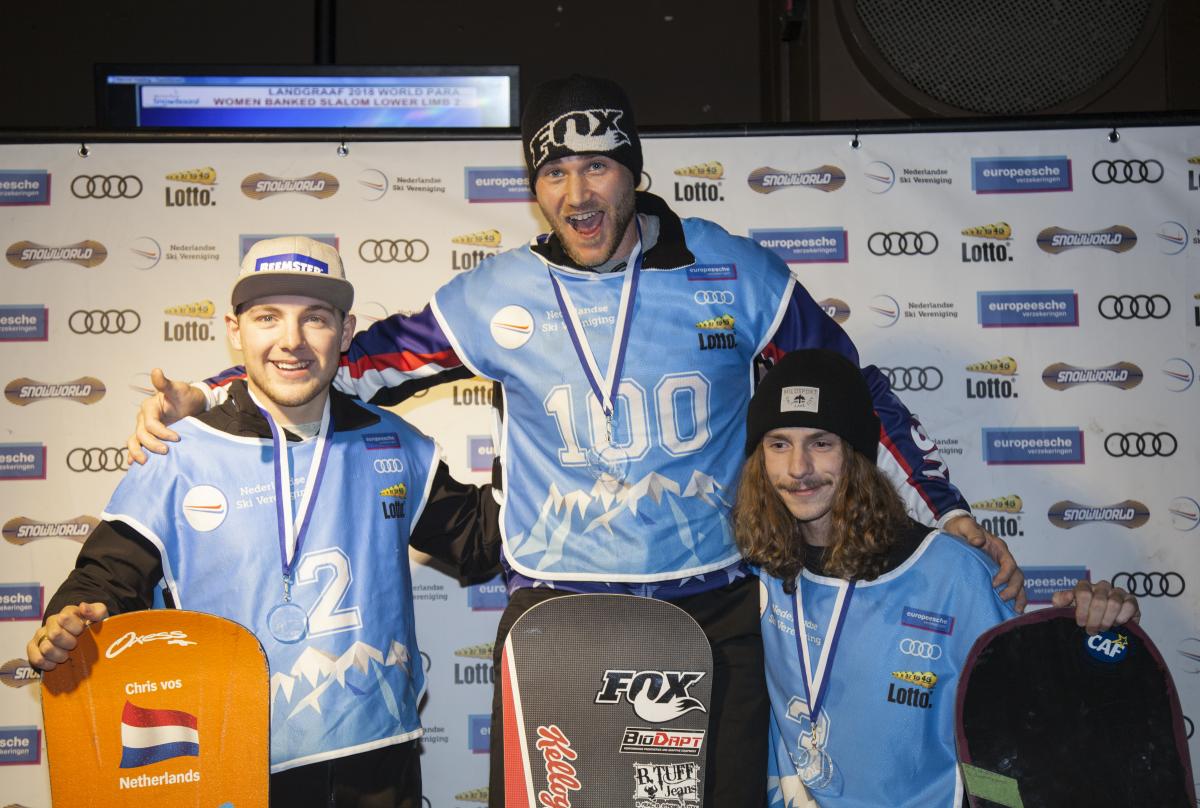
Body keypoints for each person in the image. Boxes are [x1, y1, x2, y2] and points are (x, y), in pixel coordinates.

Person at [125, 76, 1023, 806]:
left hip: (710, 602)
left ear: (631, 174)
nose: (576, 192)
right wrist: (208, 391)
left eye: (597, 168)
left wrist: (949, 511)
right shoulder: (494, 292)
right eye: (555, 173)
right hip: (559, 606)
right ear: (536, 188)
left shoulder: (733, 270)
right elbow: (353, 361)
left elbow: (852, 389)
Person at [28, 237, 500, 808]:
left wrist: (538, 438)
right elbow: (104, 581)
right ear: (235, 330)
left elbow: (480, 540)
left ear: (345, 334)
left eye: (316, 319)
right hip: (235, 762)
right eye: (268, 317)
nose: (291, 341)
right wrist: (70, 618)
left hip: (379, 763)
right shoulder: (179, 453)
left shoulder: (393, 442)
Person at [734, 349, 1139, 807]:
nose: (798, 468)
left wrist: (1094, 635)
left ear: (858, 454)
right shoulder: (757, 565)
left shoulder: (951, 572)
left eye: (821, 442)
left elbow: (1032, 715)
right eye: (779, 444)